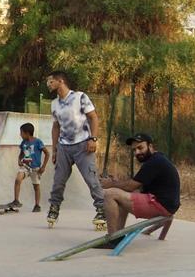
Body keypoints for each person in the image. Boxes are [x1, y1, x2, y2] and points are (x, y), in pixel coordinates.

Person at [45, 70, 105, 228]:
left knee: (90, 178)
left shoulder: (80, 97)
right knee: (58, 181)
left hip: (83, 144)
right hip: (64, 146)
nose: (48, 84)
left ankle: (102, 209)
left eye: (51, 81)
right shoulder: (54, 104)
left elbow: (93, 117)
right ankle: (54, 208)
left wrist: (93, 138)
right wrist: (55, 149)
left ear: (60, 81)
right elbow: (56, 127)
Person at [97, 133, 180, 242]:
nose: (137, 152)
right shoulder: (158, 159)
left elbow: (131, 186)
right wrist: (118, 184)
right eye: (134, 150)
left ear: (150, 146)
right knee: (120, 194)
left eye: (140, 148)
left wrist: (110, 184)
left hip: (160, 205)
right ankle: (118, 235)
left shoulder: (154, 162)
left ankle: (112, 239)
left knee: (110, 194)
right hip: (168, 205)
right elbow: (136, 187)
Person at [12, 122, 50, 212]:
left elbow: (47, 153)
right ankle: (16, 200)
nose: (20, 135)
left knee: (36, 186)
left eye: (21, 133)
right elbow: (21, 154)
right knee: (18, 179)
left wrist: (43, 167)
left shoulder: (38, 142)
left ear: (27, 133)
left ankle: (37, 205)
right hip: (25, 166)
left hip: (36, 168)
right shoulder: (23, 143)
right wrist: (19, 160)